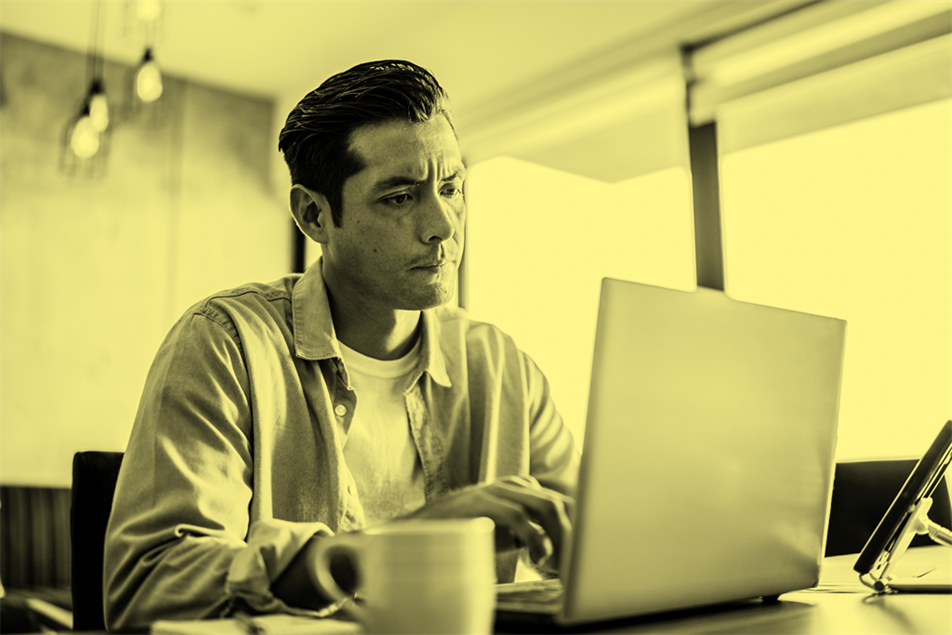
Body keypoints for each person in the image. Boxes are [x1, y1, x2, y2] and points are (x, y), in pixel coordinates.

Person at [103, 60, 580, 630]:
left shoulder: (503, 368)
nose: (444, 226)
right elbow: (150, 588)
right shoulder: (225, 343)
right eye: (400, 198)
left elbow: (599, 544)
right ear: (314, 215)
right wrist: (391, 549)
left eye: (451, 188)